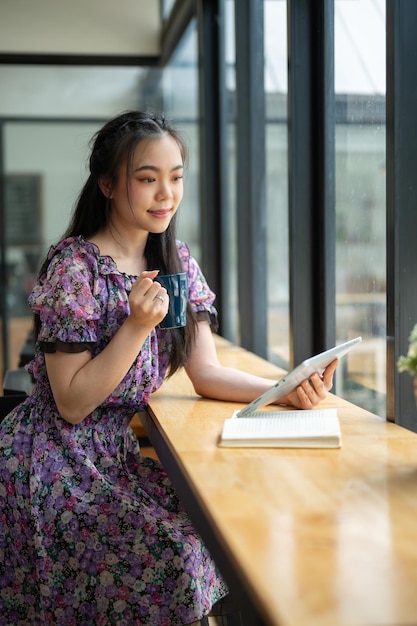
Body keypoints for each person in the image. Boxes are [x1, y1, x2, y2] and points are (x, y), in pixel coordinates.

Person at [0, 110, 337, 625]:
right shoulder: (75, 267)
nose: (166, 194)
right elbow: (71, 403)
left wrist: (284, 390)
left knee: (219, 532)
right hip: (49, 463)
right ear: (108, 185)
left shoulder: (176, 263)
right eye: (147, 178)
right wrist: (135, 326)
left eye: (176, 177)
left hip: (113, 459)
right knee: (176, 556)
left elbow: (206, 372)